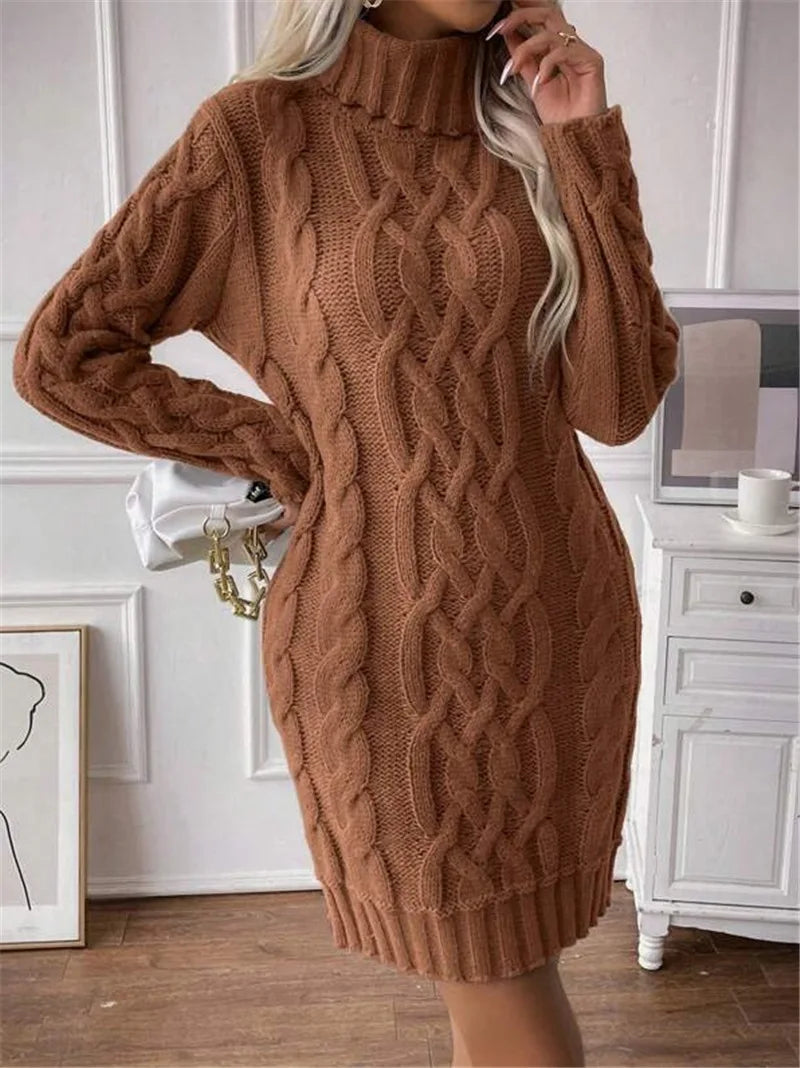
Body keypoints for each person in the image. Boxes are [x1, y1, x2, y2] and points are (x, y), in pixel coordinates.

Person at [12, 0, 680, 1063]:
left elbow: (617, 400)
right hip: (390, 647)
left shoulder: (526, 127)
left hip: (560, 630)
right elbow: (65, 355)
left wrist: (584, 139)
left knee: (505, 978)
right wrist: (279, 446)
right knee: (499, 986)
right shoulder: (257, 134)